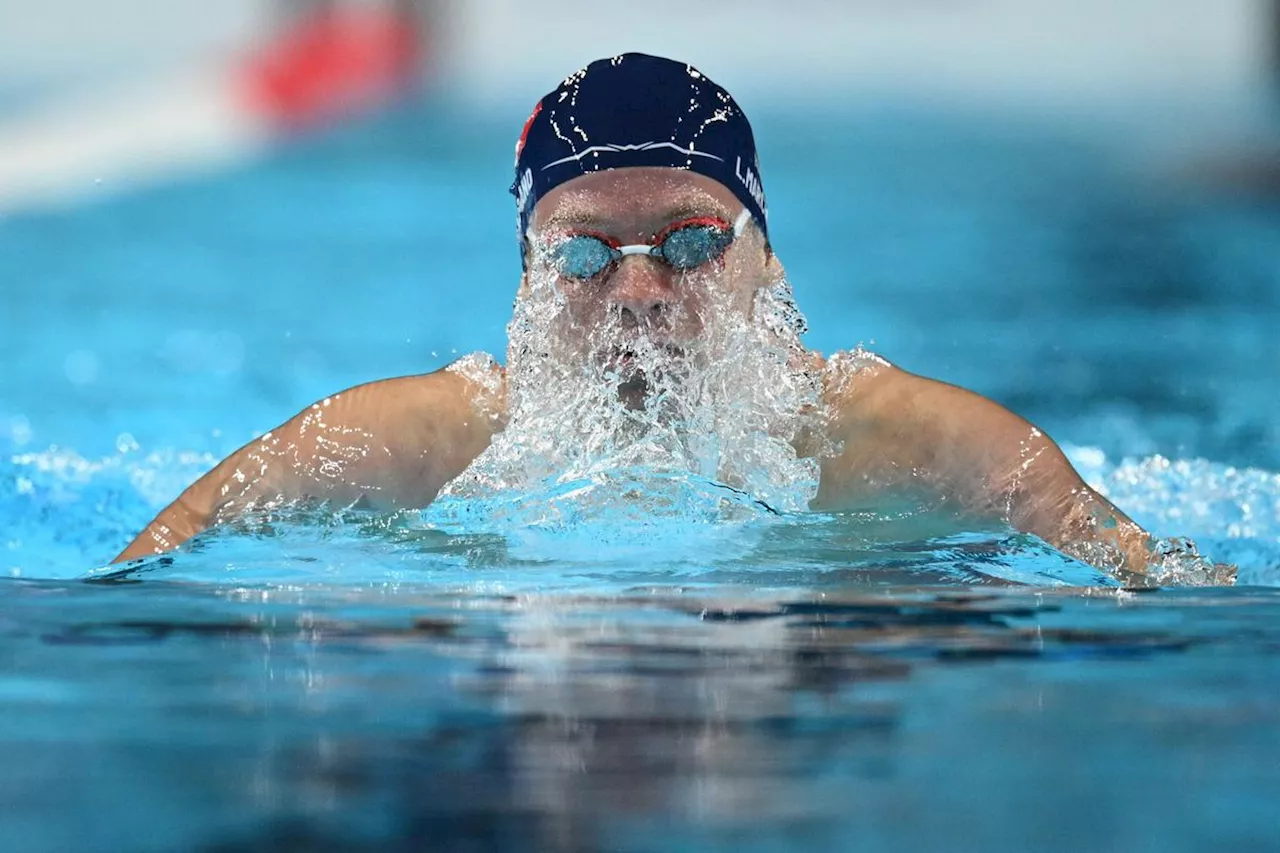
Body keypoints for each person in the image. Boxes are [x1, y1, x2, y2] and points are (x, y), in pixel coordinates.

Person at [113, 53, 1224, 585]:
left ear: (768, 264)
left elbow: (1174, 598)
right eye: (583, 254)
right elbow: (135, 585)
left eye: (691, 241)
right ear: (528, 284)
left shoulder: (920, 445)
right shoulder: (410, 443)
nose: (639, 291)